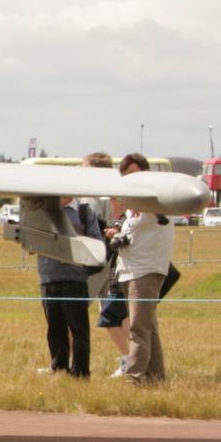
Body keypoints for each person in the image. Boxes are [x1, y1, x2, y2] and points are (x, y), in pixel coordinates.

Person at [111, 152, 175, 383]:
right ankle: (156, 377)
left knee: (138, 328)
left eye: (135, 175)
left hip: (146, 271)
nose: (132, 180)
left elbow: (161, 212)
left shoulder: (157, 199)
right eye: (126, 176)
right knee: (149, 328)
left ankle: (134, 377)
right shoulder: (132, 206)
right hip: (129, 269)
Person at [35, 196, 97, 378]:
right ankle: (59, 368)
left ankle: (80, 372)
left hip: (75, 279)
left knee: (78, 329)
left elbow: (96, 242)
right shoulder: (42, 213)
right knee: (55, 328)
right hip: (48, 277)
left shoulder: (84, 213)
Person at [81, 151, 132, 368]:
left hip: (97, 260)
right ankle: (130, 356)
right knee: (114, 313)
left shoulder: (92, 196)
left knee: (78, 309)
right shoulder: (114, 192)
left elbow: (92, 229)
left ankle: (66, 361)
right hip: (114, 259)